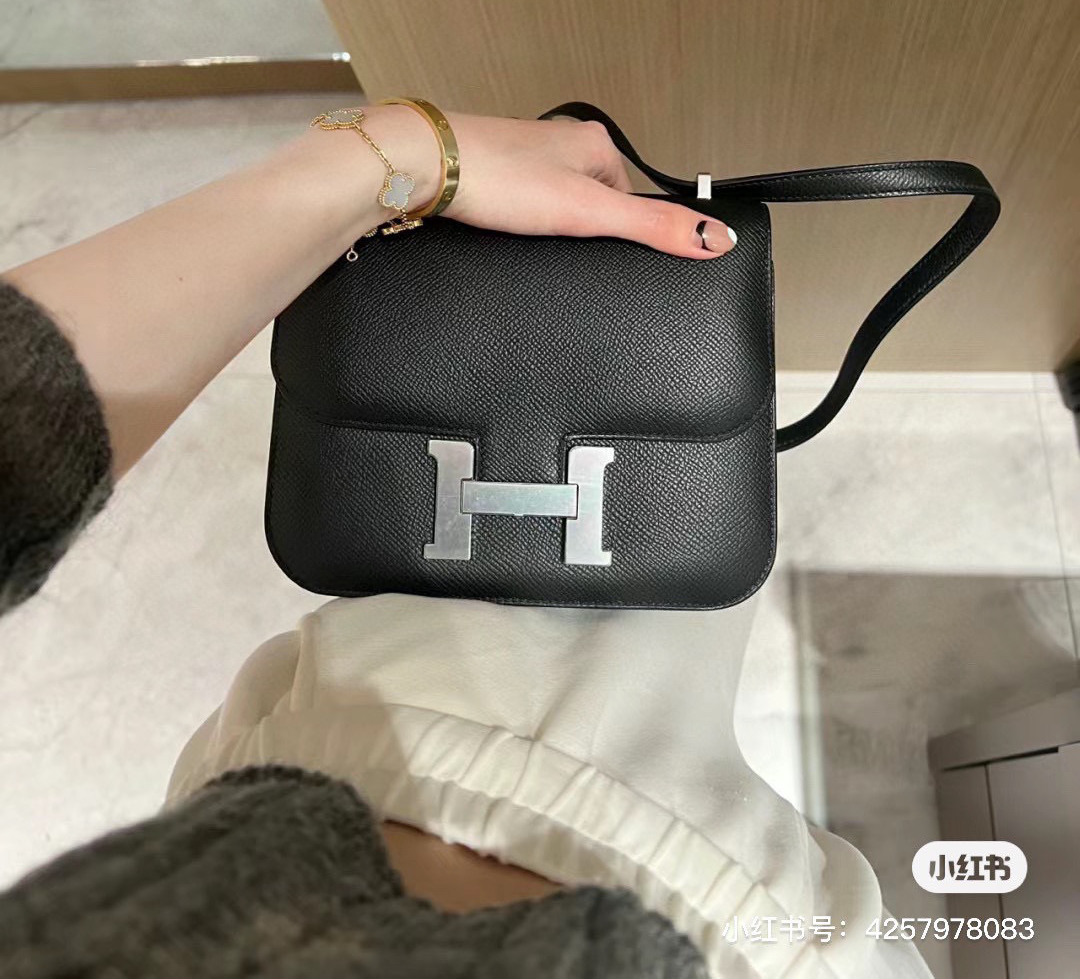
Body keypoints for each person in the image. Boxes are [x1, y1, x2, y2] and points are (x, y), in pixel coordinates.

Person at [0, 100, 930, 977]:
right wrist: (385, 157)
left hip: (311, 759)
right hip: (701, 892)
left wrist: (399, 156)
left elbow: (18, 424)